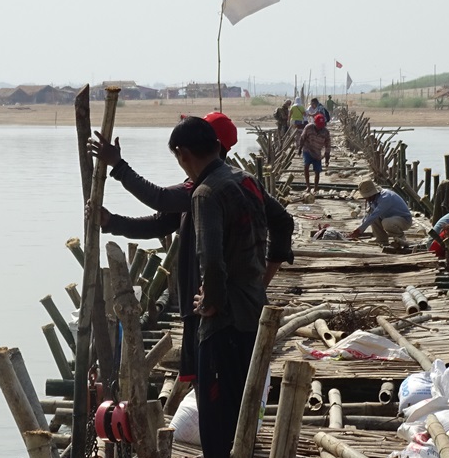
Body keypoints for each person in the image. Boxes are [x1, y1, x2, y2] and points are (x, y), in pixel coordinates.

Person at [87, 112, 294, 383]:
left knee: (216, 386)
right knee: (222, 385)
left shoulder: (210, 189)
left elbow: (159, 199)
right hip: (221, 304)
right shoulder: (233, 182)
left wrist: (118, 165)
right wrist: (112, 221)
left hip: (213, 309)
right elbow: (161, 223)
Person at [171, 116, 268, 458]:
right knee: (235, 420)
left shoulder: (207, 193)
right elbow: (276, 229)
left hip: (223, 324)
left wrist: (209, 301)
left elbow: (211, 259)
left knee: (216, 429)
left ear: (185, 155)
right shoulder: (241, 181)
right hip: (249, 314)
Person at [349, 179, 413, 246]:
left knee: (386, 222)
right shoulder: (372, 200)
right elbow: (368, 216)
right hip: (389, 218)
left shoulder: (386, 197)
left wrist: (359, 231)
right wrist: (358, 229)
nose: (366, 199)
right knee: (372, 218)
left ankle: (400, 238)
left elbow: (376, 214)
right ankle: (381, 239)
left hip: (404, 220)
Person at [299, 113, 331, 193]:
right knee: (306, 166)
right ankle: (308, 186)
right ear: (315, 123)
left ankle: (315, 188)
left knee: (317, 171)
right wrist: (300, 148)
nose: (320, 127)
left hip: (317, 152)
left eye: (322, 125)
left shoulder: (325, 132)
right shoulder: (308, 127)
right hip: (308, 149)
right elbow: (302, 138)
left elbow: (328, 145)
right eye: (319, 125)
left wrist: (327, 157)